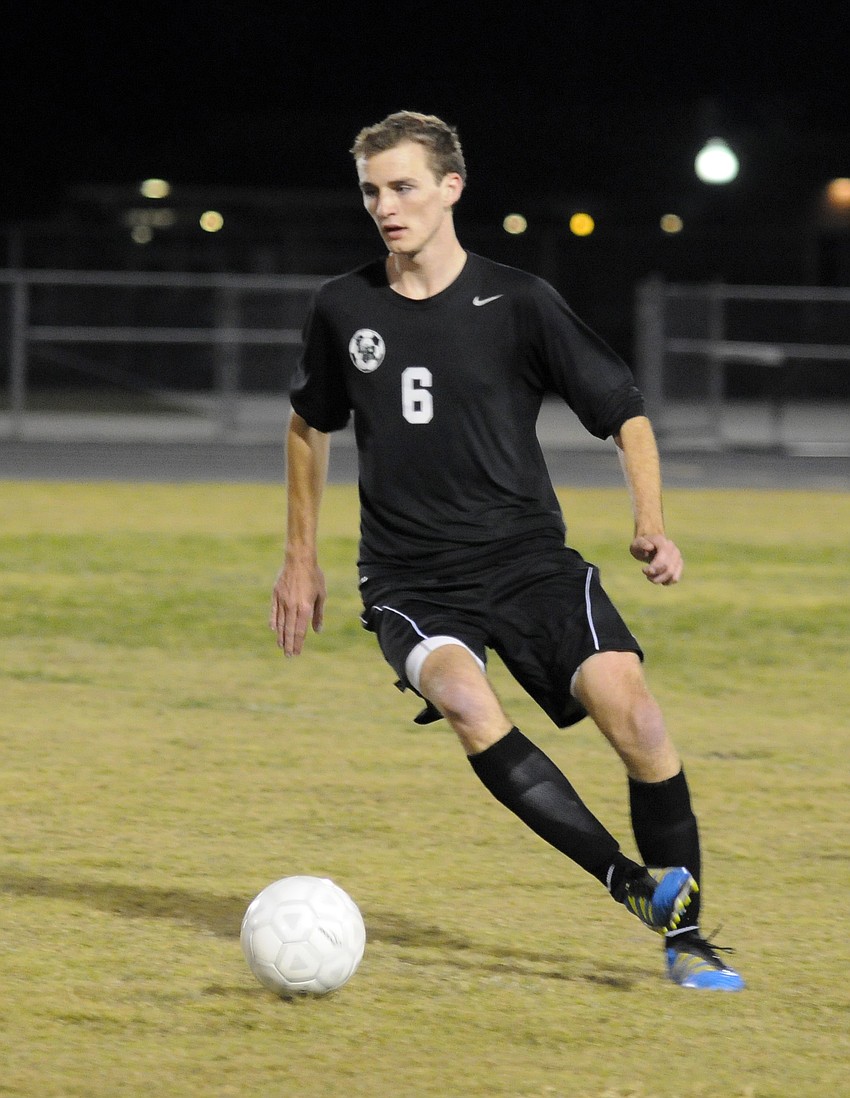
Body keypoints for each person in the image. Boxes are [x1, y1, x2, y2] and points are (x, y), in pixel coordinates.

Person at [270, 110, 744, 991]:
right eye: (373, 190)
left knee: (636, 718)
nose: (386, 206)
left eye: (404, 186)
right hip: (412, 577)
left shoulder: (518, 300)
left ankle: (691, 940)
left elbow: (625, 411)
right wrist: (302, 556)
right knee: (462, 696)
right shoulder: (344, 307)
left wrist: (651, 521)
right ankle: (630, 886)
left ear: (452, 188)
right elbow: (308, 423)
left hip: (528, 559)